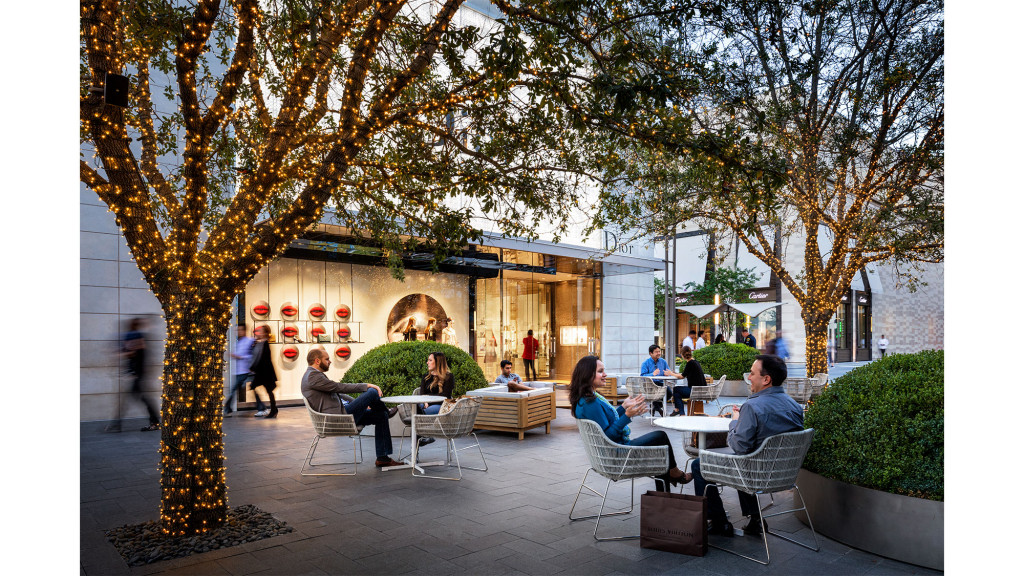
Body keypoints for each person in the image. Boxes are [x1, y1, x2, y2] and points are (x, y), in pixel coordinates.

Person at [690, 355, 804, 537]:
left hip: (754, 473)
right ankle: (756, 519)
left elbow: (738, 446)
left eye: (752, 373)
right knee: (747, 458)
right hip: (784, 473)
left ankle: (719, 522)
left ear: (766, 379)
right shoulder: (795, 407)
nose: (749, 378)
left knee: (699, 464)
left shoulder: (752, 407)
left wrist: (735, 421)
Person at [570, 355, 691, 491]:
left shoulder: (585, 400)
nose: (605, 374)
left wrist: (623, 407)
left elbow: (606, 423)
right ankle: (673, 476)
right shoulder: (591, 403)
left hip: (607, 454)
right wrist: (627, 415)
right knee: (660, 438)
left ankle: (669, 484)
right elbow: (608, 437)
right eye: (600, 371)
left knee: (661, 454)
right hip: (617, 455)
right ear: (587, 375)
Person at [300, 348, 403, 467]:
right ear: (317, 361)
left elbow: (338, 393)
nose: (330, 362)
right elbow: (338, 387)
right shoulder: (312, 376)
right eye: (327, 359)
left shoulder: (313, 375)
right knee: (372, 392)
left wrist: (362, 406)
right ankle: (386, 410)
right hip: (338, 419)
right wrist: (367, 385)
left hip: (343, 413)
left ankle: (383, 458)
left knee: (381, 416)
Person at [117, 317, 160, 432]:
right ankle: (116, 424)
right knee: (140, 398)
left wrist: (124, 352)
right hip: (138, 373)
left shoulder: (137, 337)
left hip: (138, 374)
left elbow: (132, 353)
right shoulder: (137, 336)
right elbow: (132, 354)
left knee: (140, 398)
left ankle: (117, 424)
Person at [639, 344, 682, 416]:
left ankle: (655, 406)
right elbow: (642, 376)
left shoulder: (663, 362)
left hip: (661, 383)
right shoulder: (645, 363)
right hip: (650, 385)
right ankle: (658, 408)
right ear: (650, 353)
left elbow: (668, 371)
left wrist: (668, 373)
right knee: (657, 392)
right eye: (656, 352)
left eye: (659, 351)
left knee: (669, 393)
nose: (659, 353)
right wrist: (653, 374)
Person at [224, 325, 254, 416]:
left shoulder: (250, 341)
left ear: (245, 331)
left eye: (240, 330)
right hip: (239, 371)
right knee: (235, 390)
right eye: (237, 330)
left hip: (247, 371)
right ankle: (227, 409)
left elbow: (252, 356)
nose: (238, 332)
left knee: (234, 390)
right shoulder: (237, 343)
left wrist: (240, 357)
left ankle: (227, 409)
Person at [249, 324, 278, 418]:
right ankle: (272, 409)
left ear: (265, 333)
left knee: (267, 391)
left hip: (265, 373)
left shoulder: (265, 344)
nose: (259, 333)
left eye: (261, 331)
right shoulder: (261, 343)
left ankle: (270, 409)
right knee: (265, 390)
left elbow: (263, 359)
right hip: (263, 373)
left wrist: (254, 368)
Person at [671, 346, 705, 416]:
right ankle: (679, 411)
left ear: (682, 355)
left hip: (694, 391)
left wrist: (671, 373)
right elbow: (685, 374)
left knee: (676, 389)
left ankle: (680, 412)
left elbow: (682, 376)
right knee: (677, 393)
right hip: (702, 390)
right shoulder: (695, 362)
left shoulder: (690, 363)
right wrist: (675, 373)